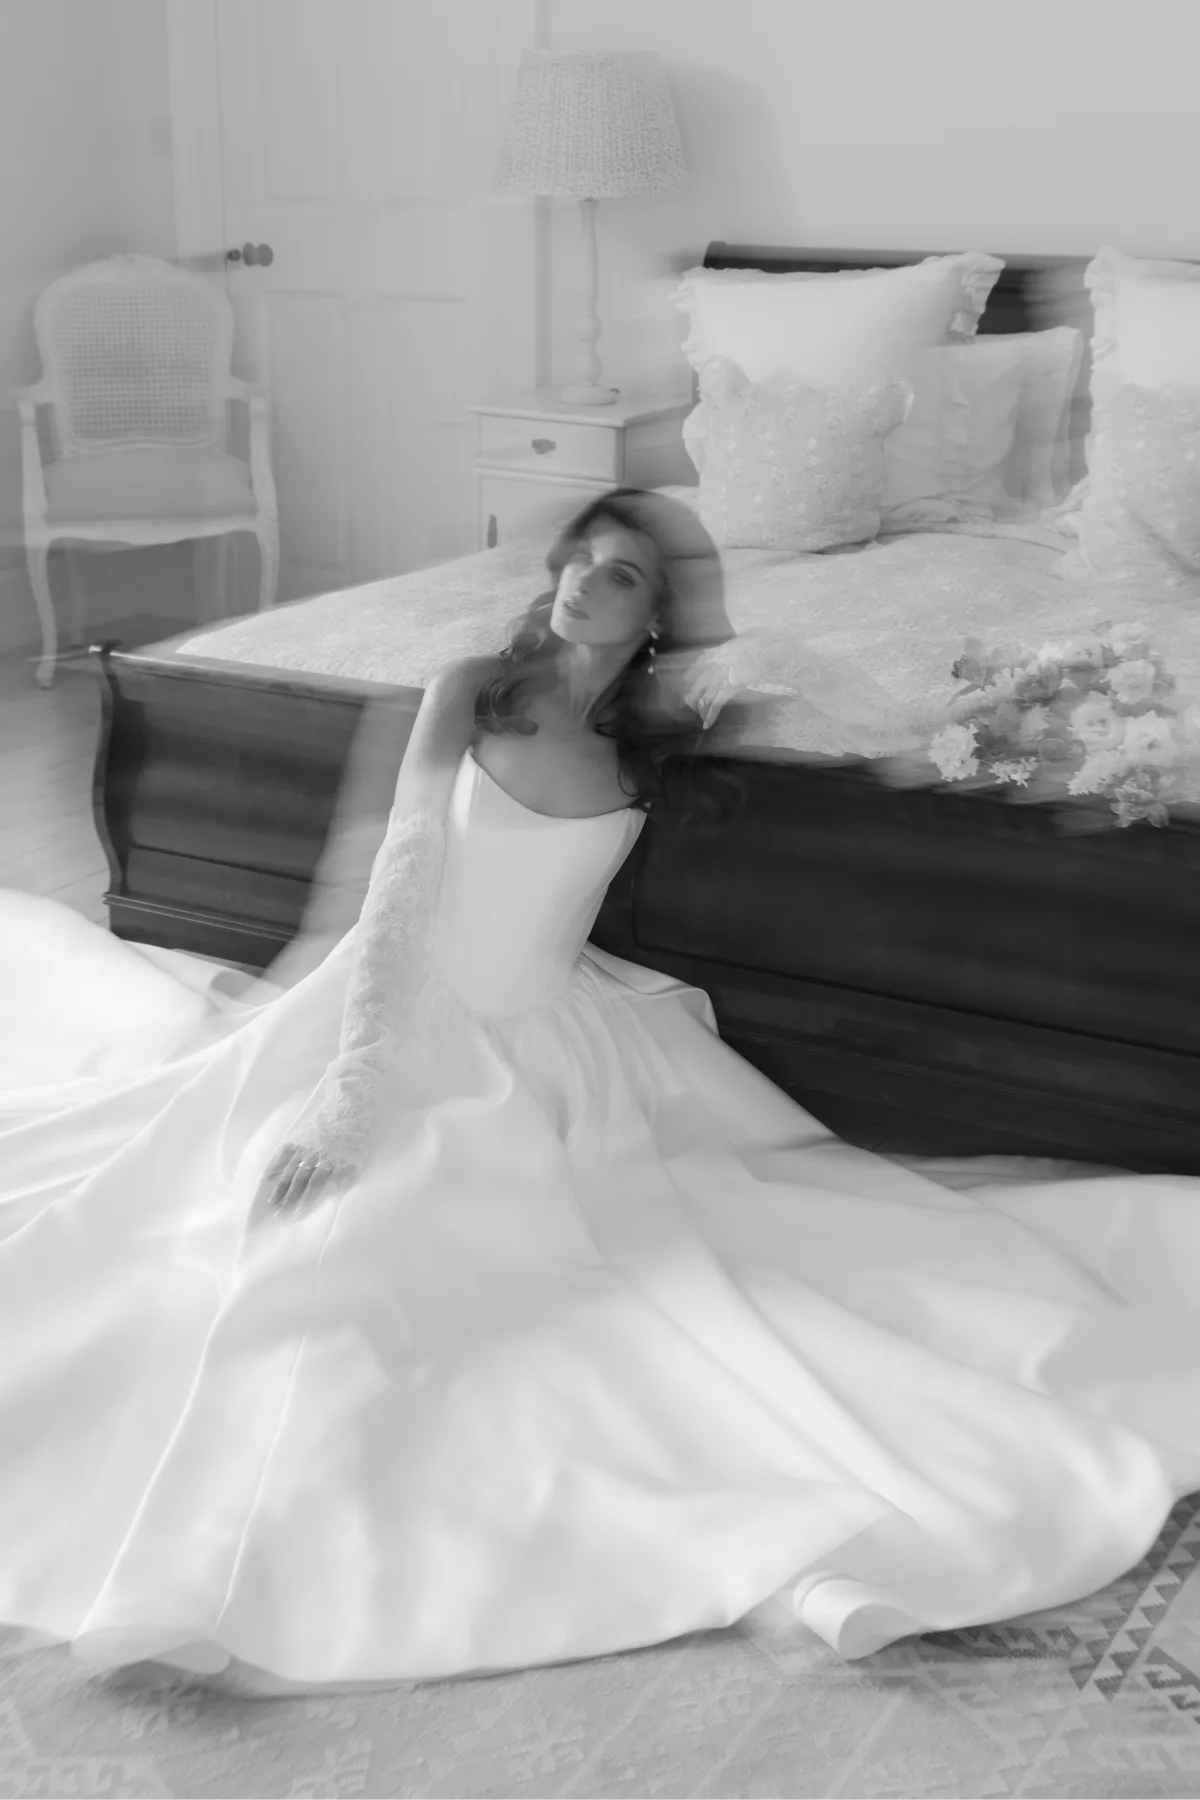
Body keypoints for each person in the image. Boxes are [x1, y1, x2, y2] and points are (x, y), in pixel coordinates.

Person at [0, 487, 1197, 1699]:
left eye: (619, 574)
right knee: (303, 1258)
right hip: (393, 1015)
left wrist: (1007, 708)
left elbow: (878, 731)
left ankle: (780, 1514)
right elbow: (398, 877)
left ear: (658, 613)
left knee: (656, 1291)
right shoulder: (472, 685)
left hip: (555, 1041)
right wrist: (356, 1087)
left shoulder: (662, 731)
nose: (579, 582)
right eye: (579, 560)